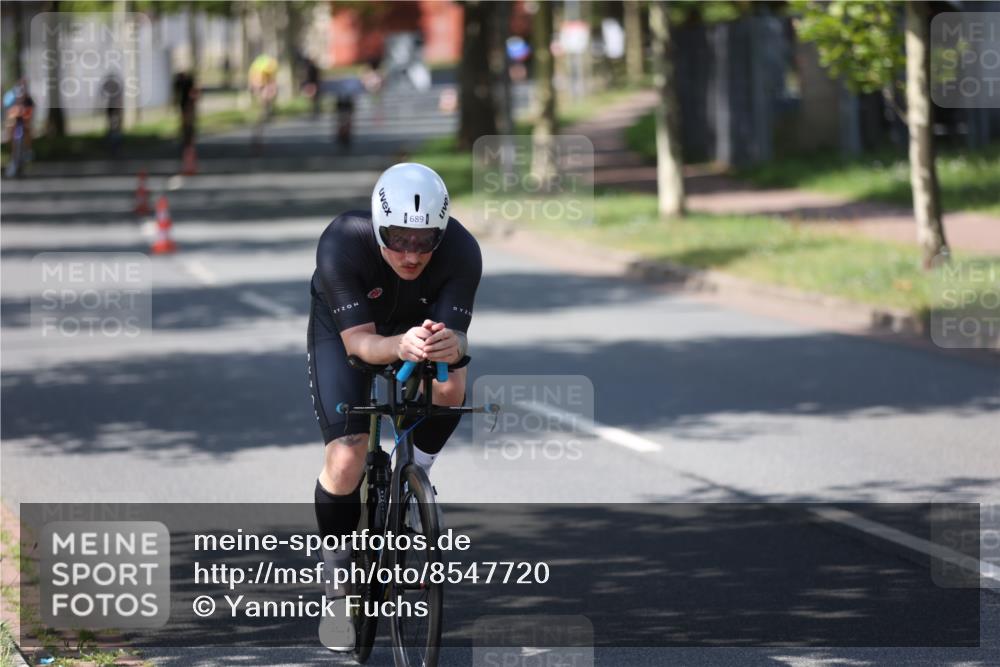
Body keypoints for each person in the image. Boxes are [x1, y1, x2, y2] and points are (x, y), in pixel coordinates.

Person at [308, 163, 482, 651]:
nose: (410, 254)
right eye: (398, 238)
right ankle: (339, 581)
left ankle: (415, 475)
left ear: (441, 234)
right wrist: (398, 345)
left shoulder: (463, 250)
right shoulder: (342, 240)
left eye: (424, 241)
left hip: (417, 331)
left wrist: (450, 343)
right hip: (350, 333)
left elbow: (458, 332)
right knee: (346, 456)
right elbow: (361, 345)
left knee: (452, 384)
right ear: (377, 226)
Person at [3, 80, 34, 178]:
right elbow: (8, 113)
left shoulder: (28, 100)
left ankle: (28, 150)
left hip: (23, 123)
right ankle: (13, 159)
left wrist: (26, 117)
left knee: (27, 130)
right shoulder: (10, 99)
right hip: (14, 123)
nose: (20, 99)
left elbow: (30, 114)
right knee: (11, 129)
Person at [248, 54, 278, 151]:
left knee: (260, 121)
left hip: (261, 99)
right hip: (259, 100)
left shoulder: (265, 74)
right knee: (258, 121)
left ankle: (257, 140)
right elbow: (255, 87)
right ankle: (257, 141)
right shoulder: (258, 74)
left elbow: (272, 87)